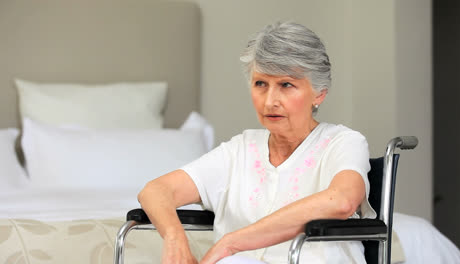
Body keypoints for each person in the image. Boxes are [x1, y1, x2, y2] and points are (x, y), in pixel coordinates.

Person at [138, 21, 376, 264]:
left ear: (319, 93)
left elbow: (342, 200)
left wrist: (233, 242)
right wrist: (174, 237)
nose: (270, 101)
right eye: (261, 84)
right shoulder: (240, 150)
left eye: (286, 85)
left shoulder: (342, 142)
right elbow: (156, 191)